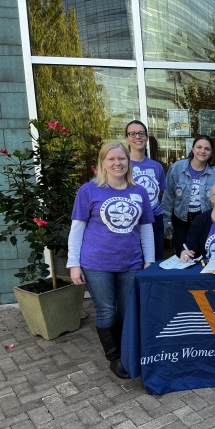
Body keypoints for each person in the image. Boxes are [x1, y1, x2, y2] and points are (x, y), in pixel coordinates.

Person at [67, 142, 155, 378]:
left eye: (122, 159)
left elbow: (146, 228)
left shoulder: (139, 191)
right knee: (106, 311)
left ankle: (128, 352)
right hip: (96, 264)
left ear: (128, 162)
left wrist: (150, 260)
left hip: (131, 263)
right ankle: (115, 357)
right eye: (111, 159)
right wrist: (73, 264)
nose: (117, 163)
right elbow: (77, 229)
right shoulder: (89, 190)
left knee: (128, 312)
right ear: (102, 163)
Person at [162, 135, 215, 256]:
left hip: (205, 221)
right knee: (184, 256)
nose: (202, 151)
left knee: (204, 255)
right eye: (199, 147)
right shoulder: (176, 168)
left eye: (207, 149)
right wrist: (166, 221)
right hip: (181, 221)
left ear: (211, 152)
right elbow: (168, 197)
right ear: (193, 149)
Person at [125, 120, 167, 261]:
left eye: (141, 133)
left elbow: (162, 193)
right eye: (133, 134)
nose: (138, 137)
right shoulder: (123, 165)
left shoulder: (156, 166)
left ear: (146, 137)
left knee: (155, 260)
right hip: (131, 220)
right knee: (134, 261)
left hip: (155, 219)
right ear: (126, 138)